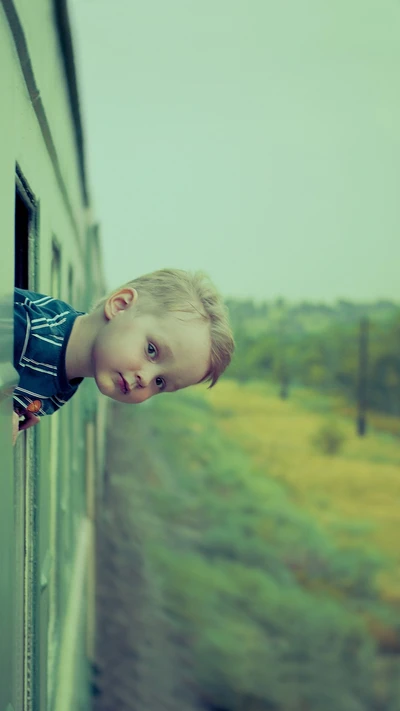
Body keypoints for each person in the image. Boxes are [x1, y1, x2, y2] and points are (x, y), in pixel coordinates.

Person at [13, 268, 234, 444]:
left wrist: (18, 407)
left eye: (160, 382)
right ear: (120, 305)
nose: (145, 380)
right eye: (152, 350)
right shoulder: (26, 329)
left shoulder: (64, 383)